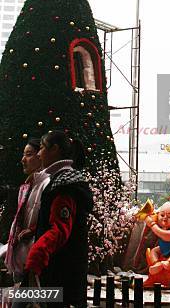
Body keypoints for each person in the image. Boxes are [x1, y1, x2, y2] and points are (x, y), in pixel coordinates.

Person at [25, 131, 93, 307]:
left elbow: (60, 229)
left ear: (54, 149)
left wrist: (37, 255)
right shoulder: (62, 180)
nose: (39, 154)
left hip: (61, 272)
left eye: (41, 148)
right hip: (62, 270)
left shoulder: (64, 185)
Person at [4, 138, 50, 283]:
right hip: (21, 258)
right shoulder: (26, 186)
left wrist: (33, 230)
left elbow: (49, 220)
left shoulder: (47, 184)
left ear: (40, 156)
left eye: (29, 154)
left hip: (35, 261)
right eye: (24, 154)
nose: (23, 159)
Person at [145, 199, 170, 274]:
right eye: (162, 215)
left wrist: (152, 224)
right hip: (164, 248)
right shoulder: (163, 227)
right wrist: (149, 216)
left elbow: (162, 234)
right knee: (154, 251)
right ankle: (156, 264)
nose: (165, 218)